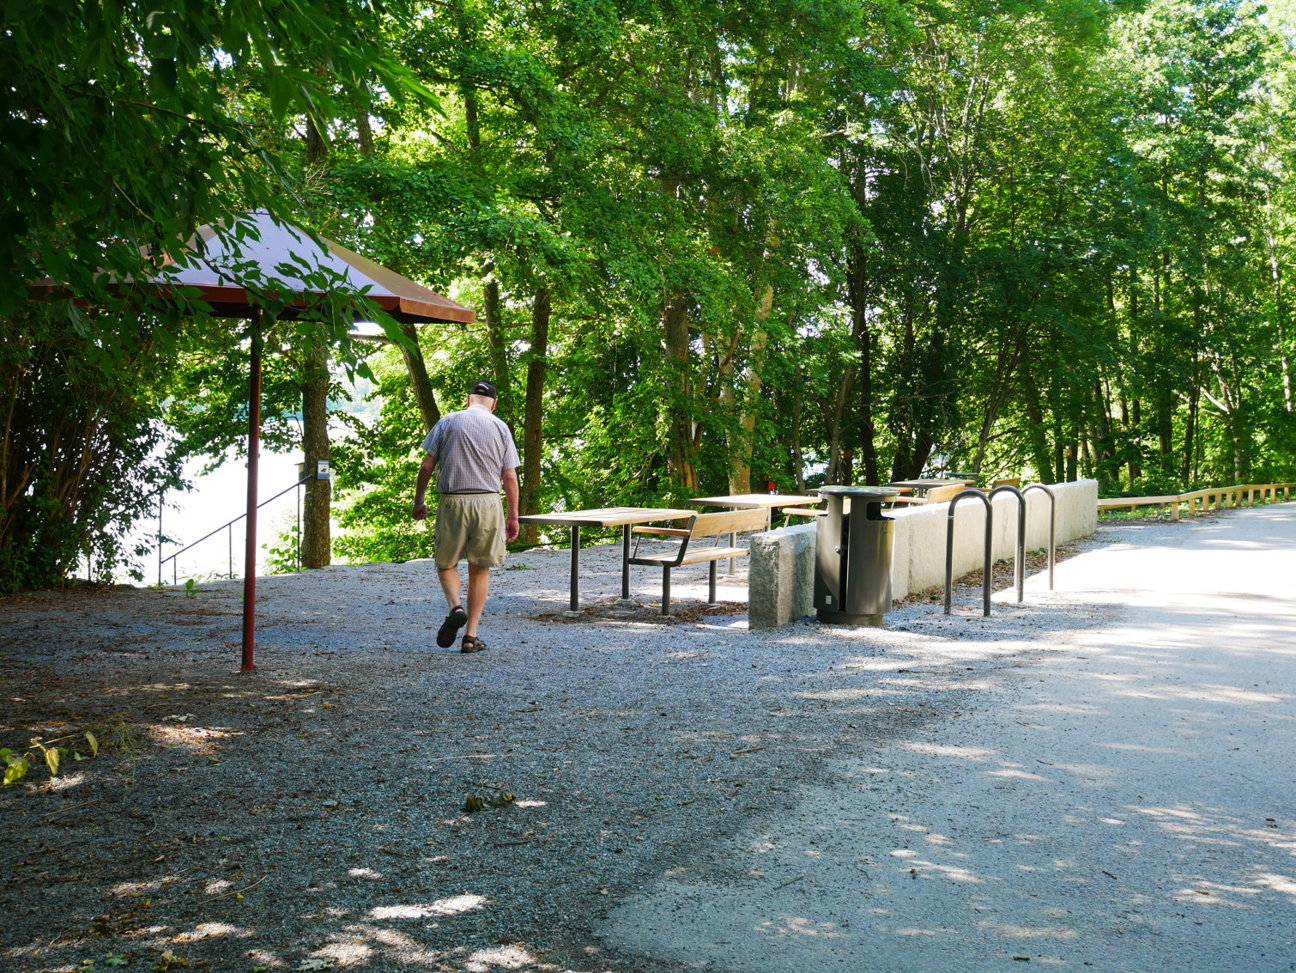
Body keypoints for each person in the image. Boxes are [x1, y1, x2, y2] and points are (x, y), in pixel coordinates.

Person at [412, 379, 520, 653]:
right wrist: (513, 516)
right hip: (488, 503)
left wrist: (419, 501)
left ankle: (455, 608)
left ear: (467, 400)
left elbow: (426, 466)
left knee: (446, 563)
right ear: (494, 404)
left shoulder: (448, 421)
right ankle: (470, 637)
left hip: (452, 502)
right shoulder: (500, 427)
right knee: (480, 569)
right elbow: (509, 476)